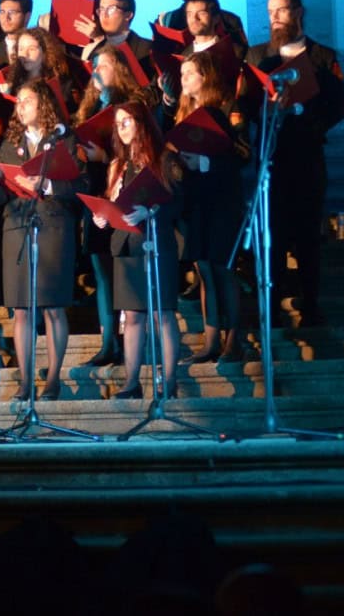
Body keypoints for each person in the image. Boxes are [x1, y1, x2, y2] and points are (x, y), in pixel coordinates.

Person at [243, 0, 344, 327]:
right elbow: (245, 104)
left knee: (307, 236)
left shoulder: (322, 56)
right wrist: (266, 110)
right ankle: (271, 306)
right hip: (271, 159)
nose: (275, 17)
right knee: (272, 235)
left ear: (298, 12)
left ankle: (311, 304)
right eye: (271, 11)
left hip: (307, 158)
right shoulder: (258, 56)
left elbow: (339, 106)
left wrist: (302, 110)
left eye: (282, 10)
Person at [0, 83, 86, 400]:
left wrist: (49, 184)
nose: (21, 106)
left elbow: (81, 184)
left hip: (53, 227)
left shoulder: (63, 139)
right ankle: (25, 382)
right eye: (19, 101)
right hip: (18, 227)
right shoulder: (11, 143)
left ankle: (53, 380)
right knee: (21, 309)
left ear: (44, 105)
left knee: (52, 306)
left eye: (28, 100)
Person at [91, 102, 184, 400]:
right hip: (127, 245)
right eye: (118, 123)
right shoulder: (118, 165)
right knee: (132, 316)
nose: (122, 127)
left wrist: (151, 211)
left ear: (142, 123)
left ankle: (169, 381)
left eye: (127, 121)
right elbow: (113, 201)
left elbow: (179, 202)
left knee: (162, 314)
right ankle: (132, 382)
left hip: (156, 243)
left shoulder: (164, 158)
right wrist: (103, 215)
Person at [72, 45, 156, 367]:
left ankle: (131, 341)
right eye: (94, 65)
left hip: (125, 194)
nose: (96, 70)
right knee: (102, 273)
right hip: (96, 194)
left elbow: (140, 153)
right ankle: (108, 342)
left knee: (125, 272)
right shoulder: (91, 106)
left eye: (103, 65)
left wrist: (103, 157)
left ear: (119, 68)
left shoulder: (131, 108)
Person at [172, 52, 247, 362]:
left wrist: (202, 161)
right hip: (196, 202)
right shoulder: (182, 113)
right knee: (203, 271)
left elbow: (241, 153)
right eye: (182, 74)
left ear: (205, 77)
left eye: (190, 73)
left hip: (223, 199)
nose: (184, 79)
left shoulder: (224, 109)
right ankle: (211, 340)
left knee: (222, 269)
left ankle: (234, 340)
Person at [78, 0, 154, 81]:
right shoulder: (91, 49)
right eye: (101, 9)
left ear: (128, 15)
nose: (104, 15)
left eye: (111, 9)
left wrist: (100, 40)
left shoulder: (147, 48)